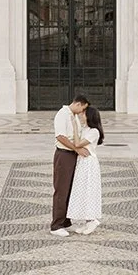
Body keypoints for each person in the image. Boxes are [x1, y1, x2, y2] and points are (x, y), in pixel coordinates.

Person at [49, 93, 89, 236]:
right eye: (82, 108)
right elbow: (60, 136)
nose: (82, 112)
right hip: (64, 154)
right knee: (62, 188)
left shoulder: (74, 116)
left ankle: (65, 220)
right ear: (78, 104)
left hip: (71, 155)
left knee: (70, 187)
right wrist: (76, 148)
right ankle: (56, 225)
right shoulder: (62, 114)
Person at [66, 105, 104, 234]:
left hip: (89, 163)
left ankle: (93, 220)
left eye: (84, 114)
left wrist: (75, 127)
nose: (82, 116)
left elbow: (77, 144)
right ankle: (86, 221)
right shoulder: (86, 129)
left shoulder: (94, 132)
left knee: (89, 190)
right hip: (82, 162)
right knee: (82, 190)